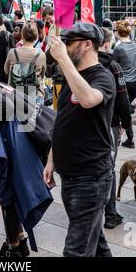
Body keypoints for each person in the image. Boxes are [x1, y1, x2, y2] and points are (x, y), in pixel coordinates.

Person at [43, 23, 116, 257]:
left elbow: (88, 99)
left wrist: (63, 60)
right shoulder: (72, 76)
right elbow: (63, 119)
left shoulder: (103, 76)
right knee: (94, 241)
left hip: (91, 176)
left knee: (77, 249)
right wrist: (52, 159)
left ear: (87, 45)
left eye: (69, 42)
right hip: (72, 174)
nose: (63, 47)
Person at [99, 28, 132, 229]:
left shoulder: (80, 64)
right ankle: (110, 214)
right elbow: (123, 99)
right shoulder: (113, 66)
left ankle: (92, 210)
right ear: (106, 43)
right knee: (108, 168)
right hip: (109, 124)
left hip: (85, 125)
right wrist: (126, 125)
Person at [113, 20, 136, 149]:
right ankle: (130, 138)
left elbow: (112, 66)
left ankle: (119, 137)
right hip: (135, 82)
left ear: (118, 32)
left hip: (123, 83)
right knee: (127, 110)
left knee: (119, 110)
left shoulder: (118, 48)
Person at [4, 23, 46, 105]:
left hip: (15, 93)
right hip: (36, 94)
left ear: (22, 35)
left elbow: (6, 71)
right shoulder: (41, 55)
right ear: (36, 36)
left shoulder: (13, 52)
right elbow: (42, 75)